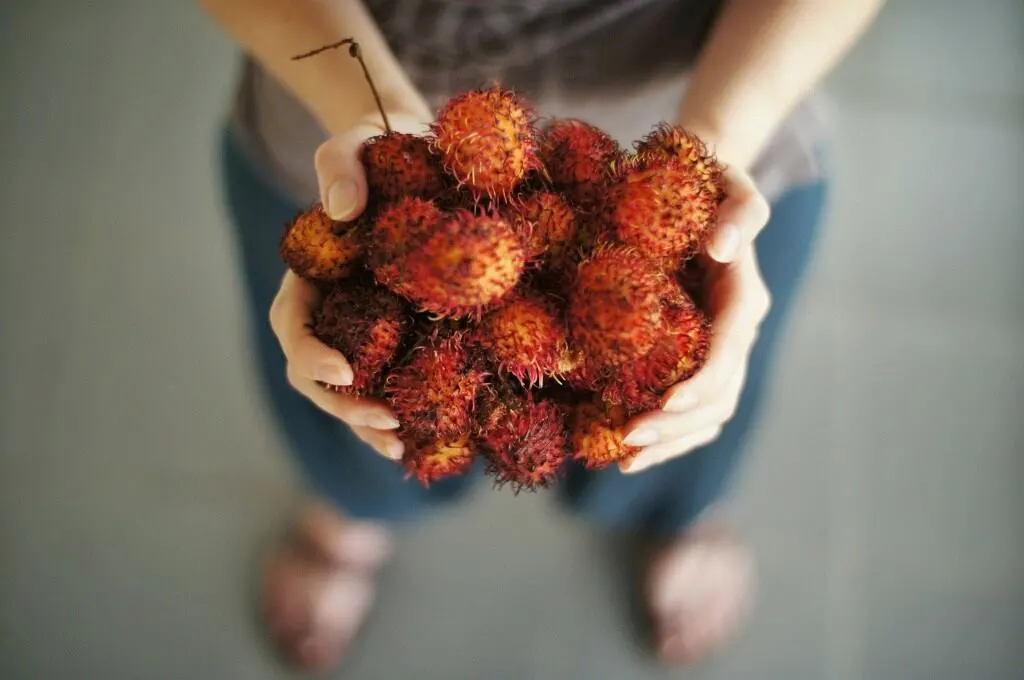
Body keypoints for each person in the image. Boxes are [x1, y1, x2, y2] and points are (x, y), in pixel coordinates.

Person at [200, 0, 884, 670]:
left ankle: (680, 514)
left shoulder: (654, 229)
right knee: (350, 398)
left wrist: (714, 146)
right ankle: (353, 511)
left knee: (682, 404)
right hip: (348, 124)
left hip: (724, 108)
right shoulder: (417, 218)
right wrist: (370, 121)